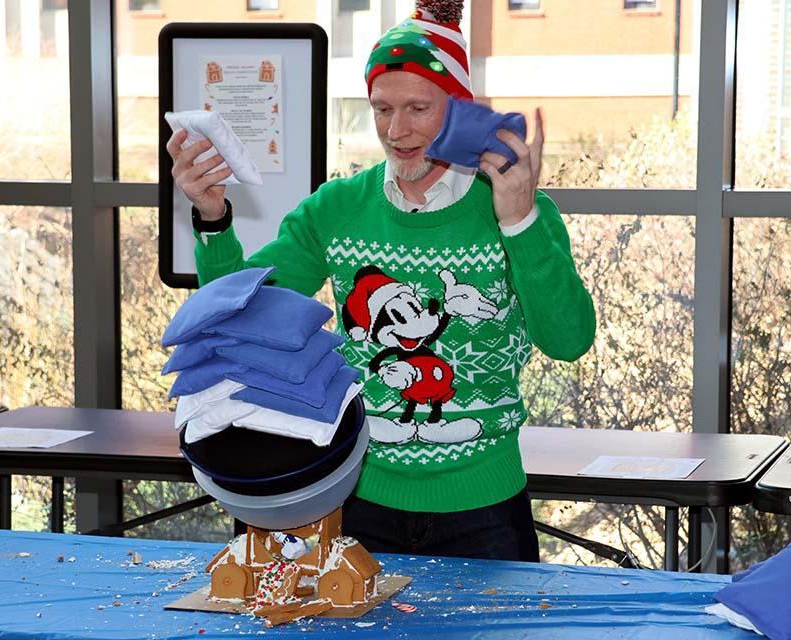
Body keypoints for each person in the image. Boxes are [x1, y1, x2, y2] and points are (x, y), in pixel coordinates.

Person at [166, 0, 595, 562]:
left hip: (487, 509)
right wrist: (213, 218)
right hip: (356, 499)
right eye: (382, 109)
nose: (397, 131)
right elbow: (238, 319)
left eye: (419, 107)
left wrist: (519, 221)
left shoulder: (514, 209)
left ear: (461, 107)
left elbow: (569, 340)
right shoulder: (338, 208)